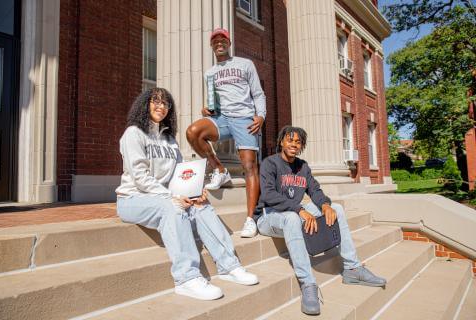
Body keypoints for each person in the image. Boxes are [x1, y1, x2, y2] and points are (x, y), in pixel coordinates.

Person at [115, 88, 258, 301]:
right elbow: (140, 177)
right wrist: (171, 197)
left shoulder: (169, 139)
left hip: (164, 196)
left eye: (165, 103)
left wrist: (194, 191)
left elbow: (180, 173)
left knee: (202, 205)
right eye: (155, 101)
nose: (160, 106)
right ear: (145, 104)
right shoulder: (133, 134)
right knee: (173, 207)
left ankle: (229, 266)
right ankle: (187, 278)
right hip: (133, 198)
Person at [254, 126, 386, 315]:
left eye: (298, 142)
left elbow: (314, 190)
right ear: (281, 142)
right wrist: (299, 210)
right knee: (292, 218)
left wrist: (324, 205)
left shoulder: (303, 166)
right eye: (290, 140)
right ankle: (308, 283)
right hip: (269, 216)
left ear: (302, 146)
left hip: (293, 212)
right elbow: (269, 195)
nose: (294, 144)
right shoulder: (270, 163)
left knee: (336, 209)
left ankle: (352, 269)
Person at [186, 28, 266, 238]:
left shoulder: (245, 64)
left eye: (222, 40)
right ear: (212, 46)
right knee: (193, 132)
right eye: (215, 41)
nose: (219, 43)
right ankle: (220, 170)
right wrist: (208, 110)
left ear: (228, 43)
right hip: (223, 119)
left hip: (244, 118)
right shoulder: (210, 73)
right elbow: (215, 103)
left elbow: (258, 93)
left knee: (249, 165)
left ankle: (251, 219)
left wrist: (261, 116)